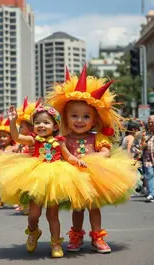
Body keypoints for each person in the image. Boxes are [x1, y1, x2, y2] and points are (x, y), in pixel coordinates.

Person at [46, 64, 138, 253]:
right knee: (77, 208)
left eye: (86, 116)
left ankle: (97, 236)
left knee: (94, 207)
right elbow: (61, 153)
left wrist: (93, 158)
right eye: (74, 116)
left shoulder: (97, 137)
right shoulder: (65, 138)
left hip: (93, 174)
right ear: (65, 118)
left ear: (94, 120)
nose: (80, 120)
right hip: (72, 176)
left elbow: (105, 152)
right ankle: (76, 235)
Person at [0, 104, 94, 258]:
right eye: (38, 122)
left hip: (55, 177)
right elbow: (16, 137)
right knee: (34, 213)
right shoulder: (33, 140)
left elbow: (68, 156)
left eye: (46, 122)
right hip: (35, 176)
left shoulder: (59, 141)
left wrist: (77, 161)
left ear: (55, 126)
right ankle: (34, 231)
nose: (41, 125)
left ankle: (56, 243)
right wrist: (12, 122)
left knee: (53, 215)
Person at [0, 116, 17, 209]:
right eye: (0, 136)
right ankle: (0, 201)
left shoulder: (12, 147)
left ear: (10, 137)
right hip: (0, 170)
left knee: (12, 187)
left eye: (5, 136)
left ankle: (15, 201)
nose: (2, 138)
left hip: (10, 170)